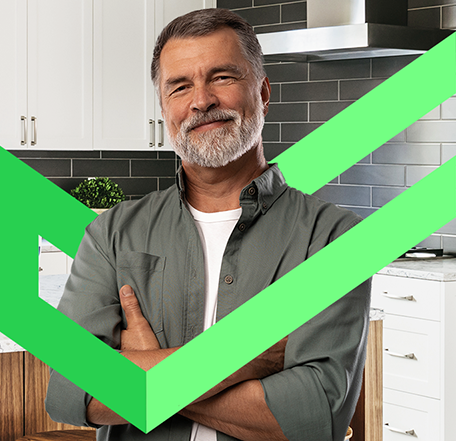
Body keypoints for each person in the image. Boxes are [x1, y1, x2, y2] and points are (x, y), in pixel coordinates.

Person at [43, 8, 370, 441]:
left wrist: (148, 366)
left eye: (222, 78)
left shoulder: (332, 239)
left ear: (264, 92)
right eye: (180, 86)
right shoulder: (113, 233)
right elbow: (71, 392)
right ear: (164, 108)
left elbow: (314, 417)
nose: (201, 101)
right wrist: (246, 359)